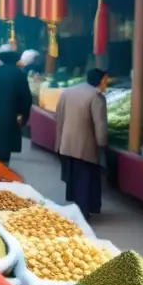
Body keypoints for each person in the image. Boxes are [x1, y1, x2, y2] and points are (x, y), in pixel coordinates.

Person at [55, 69, 109, 219]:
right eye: (106, 79)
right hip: (86, 145)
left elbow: (58, 116)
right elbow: (100, 124)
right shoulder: (96, 96)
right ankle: (83, 213)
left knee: (73, 177)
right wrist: (102, 144)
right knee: (85, 179)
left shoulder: (68, 92)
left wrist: (59, 141)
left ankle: (75, 209)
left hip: (67, 142)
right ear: (101, 79)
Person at [0, 46, 33, 166]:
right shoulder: (19, 75)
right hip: (9, 117)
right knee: (4, 150)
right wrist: (23, 117)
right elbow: (26, 99)